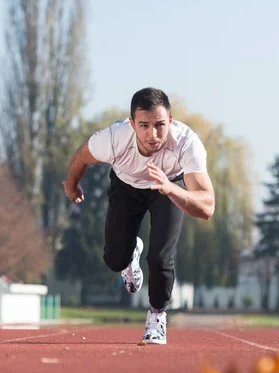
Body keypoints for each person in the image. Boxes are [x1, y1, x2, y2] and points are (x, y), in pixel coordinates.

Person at [62, 87, 215, 344]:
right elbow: (81, 157)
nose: (152, 134)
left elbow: (207, 206)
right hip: (126, 186)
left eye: (160, 125)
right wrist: (71, 184)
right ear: (131, 123)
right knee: (114, 259)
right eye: (144, 125)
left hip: (167, 186)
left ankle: (157, 317)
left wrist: (172, 189)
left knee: (160, 257)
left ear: (171, 121)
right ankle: (131, 253)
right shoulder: (113, 138)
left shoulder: (187, 144)